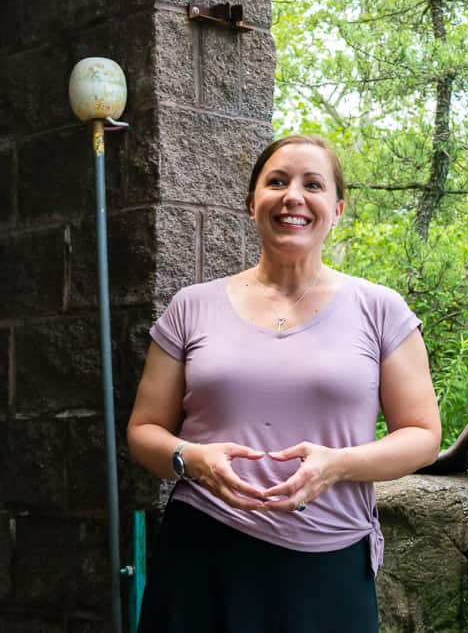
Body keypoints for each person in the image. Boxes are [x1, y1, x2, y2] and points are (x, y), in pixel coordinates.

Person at [127, 134, 441, 632]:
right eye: (277, 181)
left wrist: (338, 466)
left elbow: (423, 436)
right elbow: (144, 431)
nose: (293, 196)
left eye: (312, 184)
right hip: (202, 555)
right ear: (253, 203)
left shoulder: (381, 309)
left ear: (337, 209)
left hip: (328, 562)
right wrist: (193, 460)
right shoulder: (191, 305)